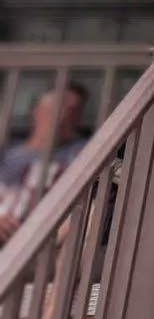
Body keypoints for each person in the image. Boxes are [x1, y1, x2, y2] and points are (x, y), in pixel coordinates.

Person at [0, 82, 89, 243]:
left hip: (39, 236)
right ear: (37, 110)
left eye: (73, 111)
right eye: (58, 106)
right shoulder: (6, 154)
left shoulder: (82, 153)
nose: (63, 115)